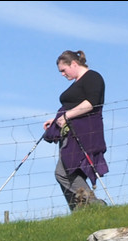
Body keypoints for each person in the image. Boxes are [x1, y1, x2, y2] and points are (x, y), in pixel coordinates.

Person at [42, 50, 108, 210]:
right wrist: (56, 120)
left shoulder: (93, 77)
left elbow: (92, 103)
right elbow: (74, 104)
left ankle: (95, 205)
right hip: (71, 132)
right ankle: (81, 211)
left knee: (64, 172)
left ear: (73, 64)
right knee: (69, 171)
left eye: (63, 70)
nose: (62, 75)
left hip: (85, 132)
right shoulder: (78, 83)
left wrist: (66, 116)